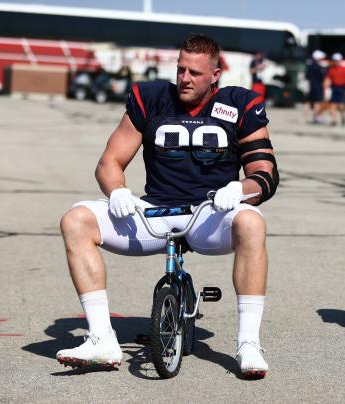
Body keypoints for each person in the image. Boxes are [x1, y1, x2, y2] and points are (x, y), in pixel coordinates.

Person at [56, 34, 278, 379]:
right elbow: (109, 161)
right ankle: (102, 339)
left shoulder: (240, 104)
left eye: (194, 73)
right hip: (156, 211)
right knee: (76, 220)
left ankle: (248, 343)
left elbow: (265, 174)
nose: (184, 79)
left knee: (252, 222)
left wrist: (240, 189)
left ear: (215, 75)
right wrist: (116, 191)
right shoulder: (151, 98)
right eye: (180, 69)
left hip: (211, 214)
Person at [324, 52, 345, 126]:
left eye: (337, 60)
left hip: (342, 88)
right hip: (334, 88)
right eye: (335, 60)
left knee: (340, 105)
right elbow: (328, 79)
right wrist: (325, 87)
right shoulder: (331, 69)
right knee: (332, 105)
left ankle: (343, 115)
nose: (336, 62)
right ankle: (334, 120)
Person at [304, 49, 327, 123]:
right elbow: (323, 77)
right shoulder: (319, 67)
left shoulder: (309, 66)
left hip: (311, 86)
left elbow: (307, 76)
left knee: (308, 102)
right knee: (317, 102)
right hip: (318, 87)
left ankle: (303, 118)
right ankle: (316, 117)